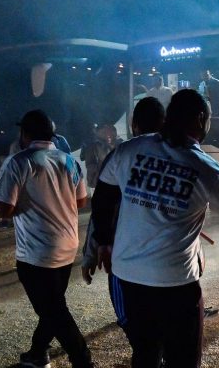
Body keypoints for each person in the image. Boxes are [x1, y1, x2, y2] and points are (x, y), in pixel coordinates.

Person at [92, 89, 219, 367]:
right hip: (176, 284)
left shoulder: (130, 150)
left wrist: (103, 240)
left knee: (145, 354)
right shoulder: (205, 167)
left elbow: (103, 194)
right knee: (183, 360)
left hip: (129, 279)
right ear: (201, 119)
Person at [0, 109, 94, 368]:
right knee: (53, 306)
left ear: (24, 134)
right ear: (53, 135)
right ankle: (38, 352)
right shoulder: (69, 160)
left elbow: (2, 208)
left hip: (36, 252)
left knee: (54, 311)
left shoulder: (19, 161)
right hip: (67, 246)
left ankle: (83, 361)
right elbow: (81, 201)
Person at [81, 97, 166, 333]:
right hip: (167, 262)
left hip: (125, 260)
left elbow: (101, 209)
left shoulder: (122, 156)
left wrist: (91, 252)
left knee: (136, 328)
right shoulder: (180, 156)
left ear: (133, 125)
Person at [80, 124, 115, 193]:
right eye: (103, 132)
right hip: (98, 180)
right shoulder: (91, 146)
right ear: (97, 133)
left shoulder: (110, 144)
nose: (106, 134)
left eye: (106, 132)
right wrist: (101, 166)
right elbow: (89, 165)